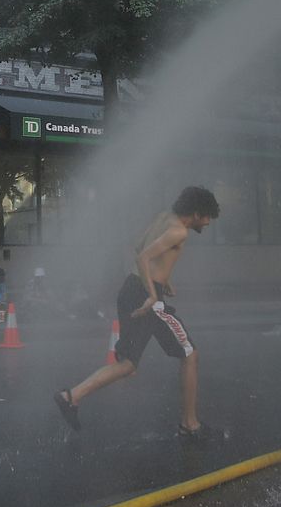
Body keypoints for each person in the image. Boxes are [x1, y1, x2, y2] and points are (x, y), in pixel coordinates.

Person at [54, 186, 219, 439]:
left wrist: (164, 279)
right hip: (145, 297)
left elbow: (137, 245)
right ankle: (190, 424)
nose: (208, 223)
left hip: (130, 290)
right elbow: (143, 256)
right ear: (196, 213)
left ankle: (71, 396)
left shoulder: (165, 217)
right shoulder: (178, 231)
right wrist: (154, 293)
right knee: (190, 354)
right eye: (207, 217)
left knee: (128, 365)